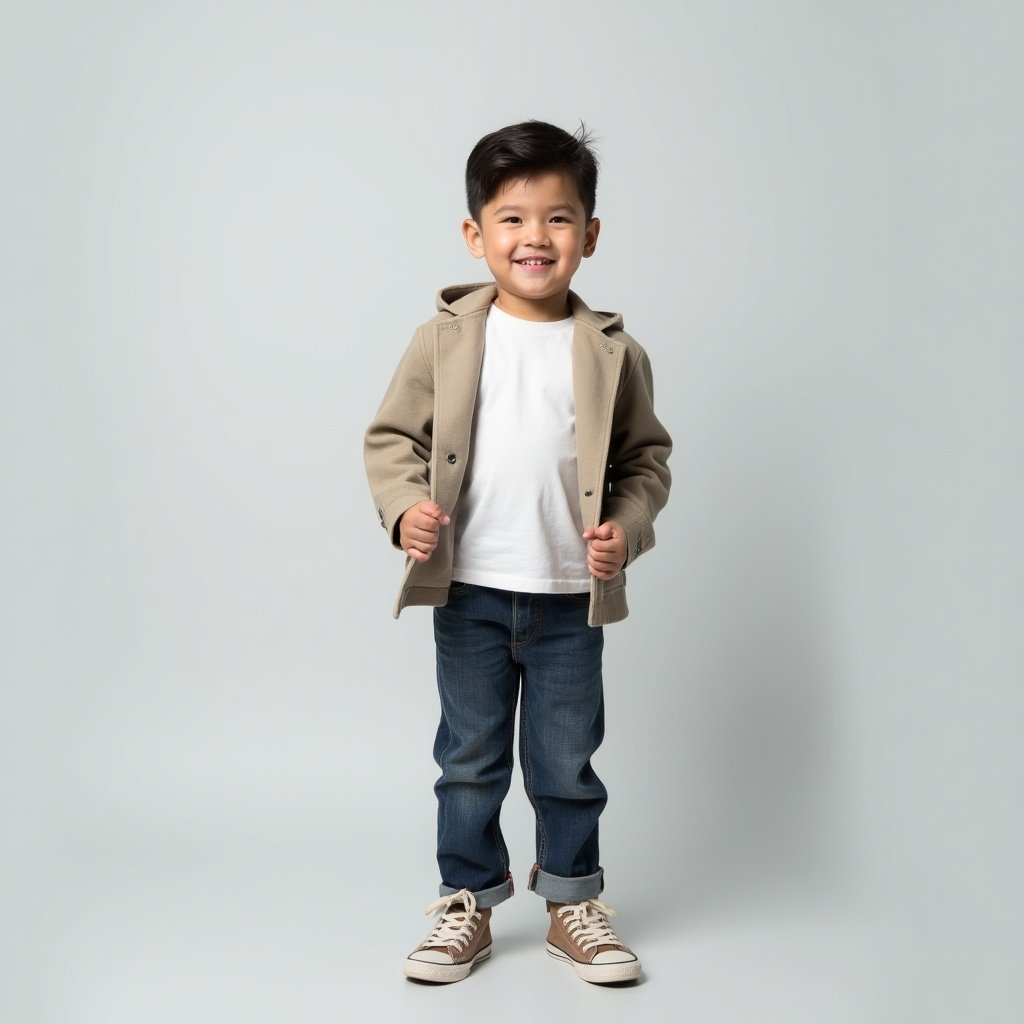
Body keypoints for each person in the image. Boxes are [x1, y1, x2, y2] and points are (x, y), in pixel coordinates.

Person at [364, 120, 672, 985]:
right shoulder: (445, 339)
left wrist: (628, 526)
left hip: (571, 596)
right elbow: (392, 440)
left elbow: (648, 461)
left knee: (566, 759)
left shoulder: (614, 351)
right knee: (468, 758)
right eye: (512, 219)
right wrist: (404, 513)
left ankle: (574, 901)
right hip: (468, 591)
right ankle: (467, 902)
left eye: (559, 219)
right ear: (476, 234)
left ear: (591, 235)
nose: (535, 238)